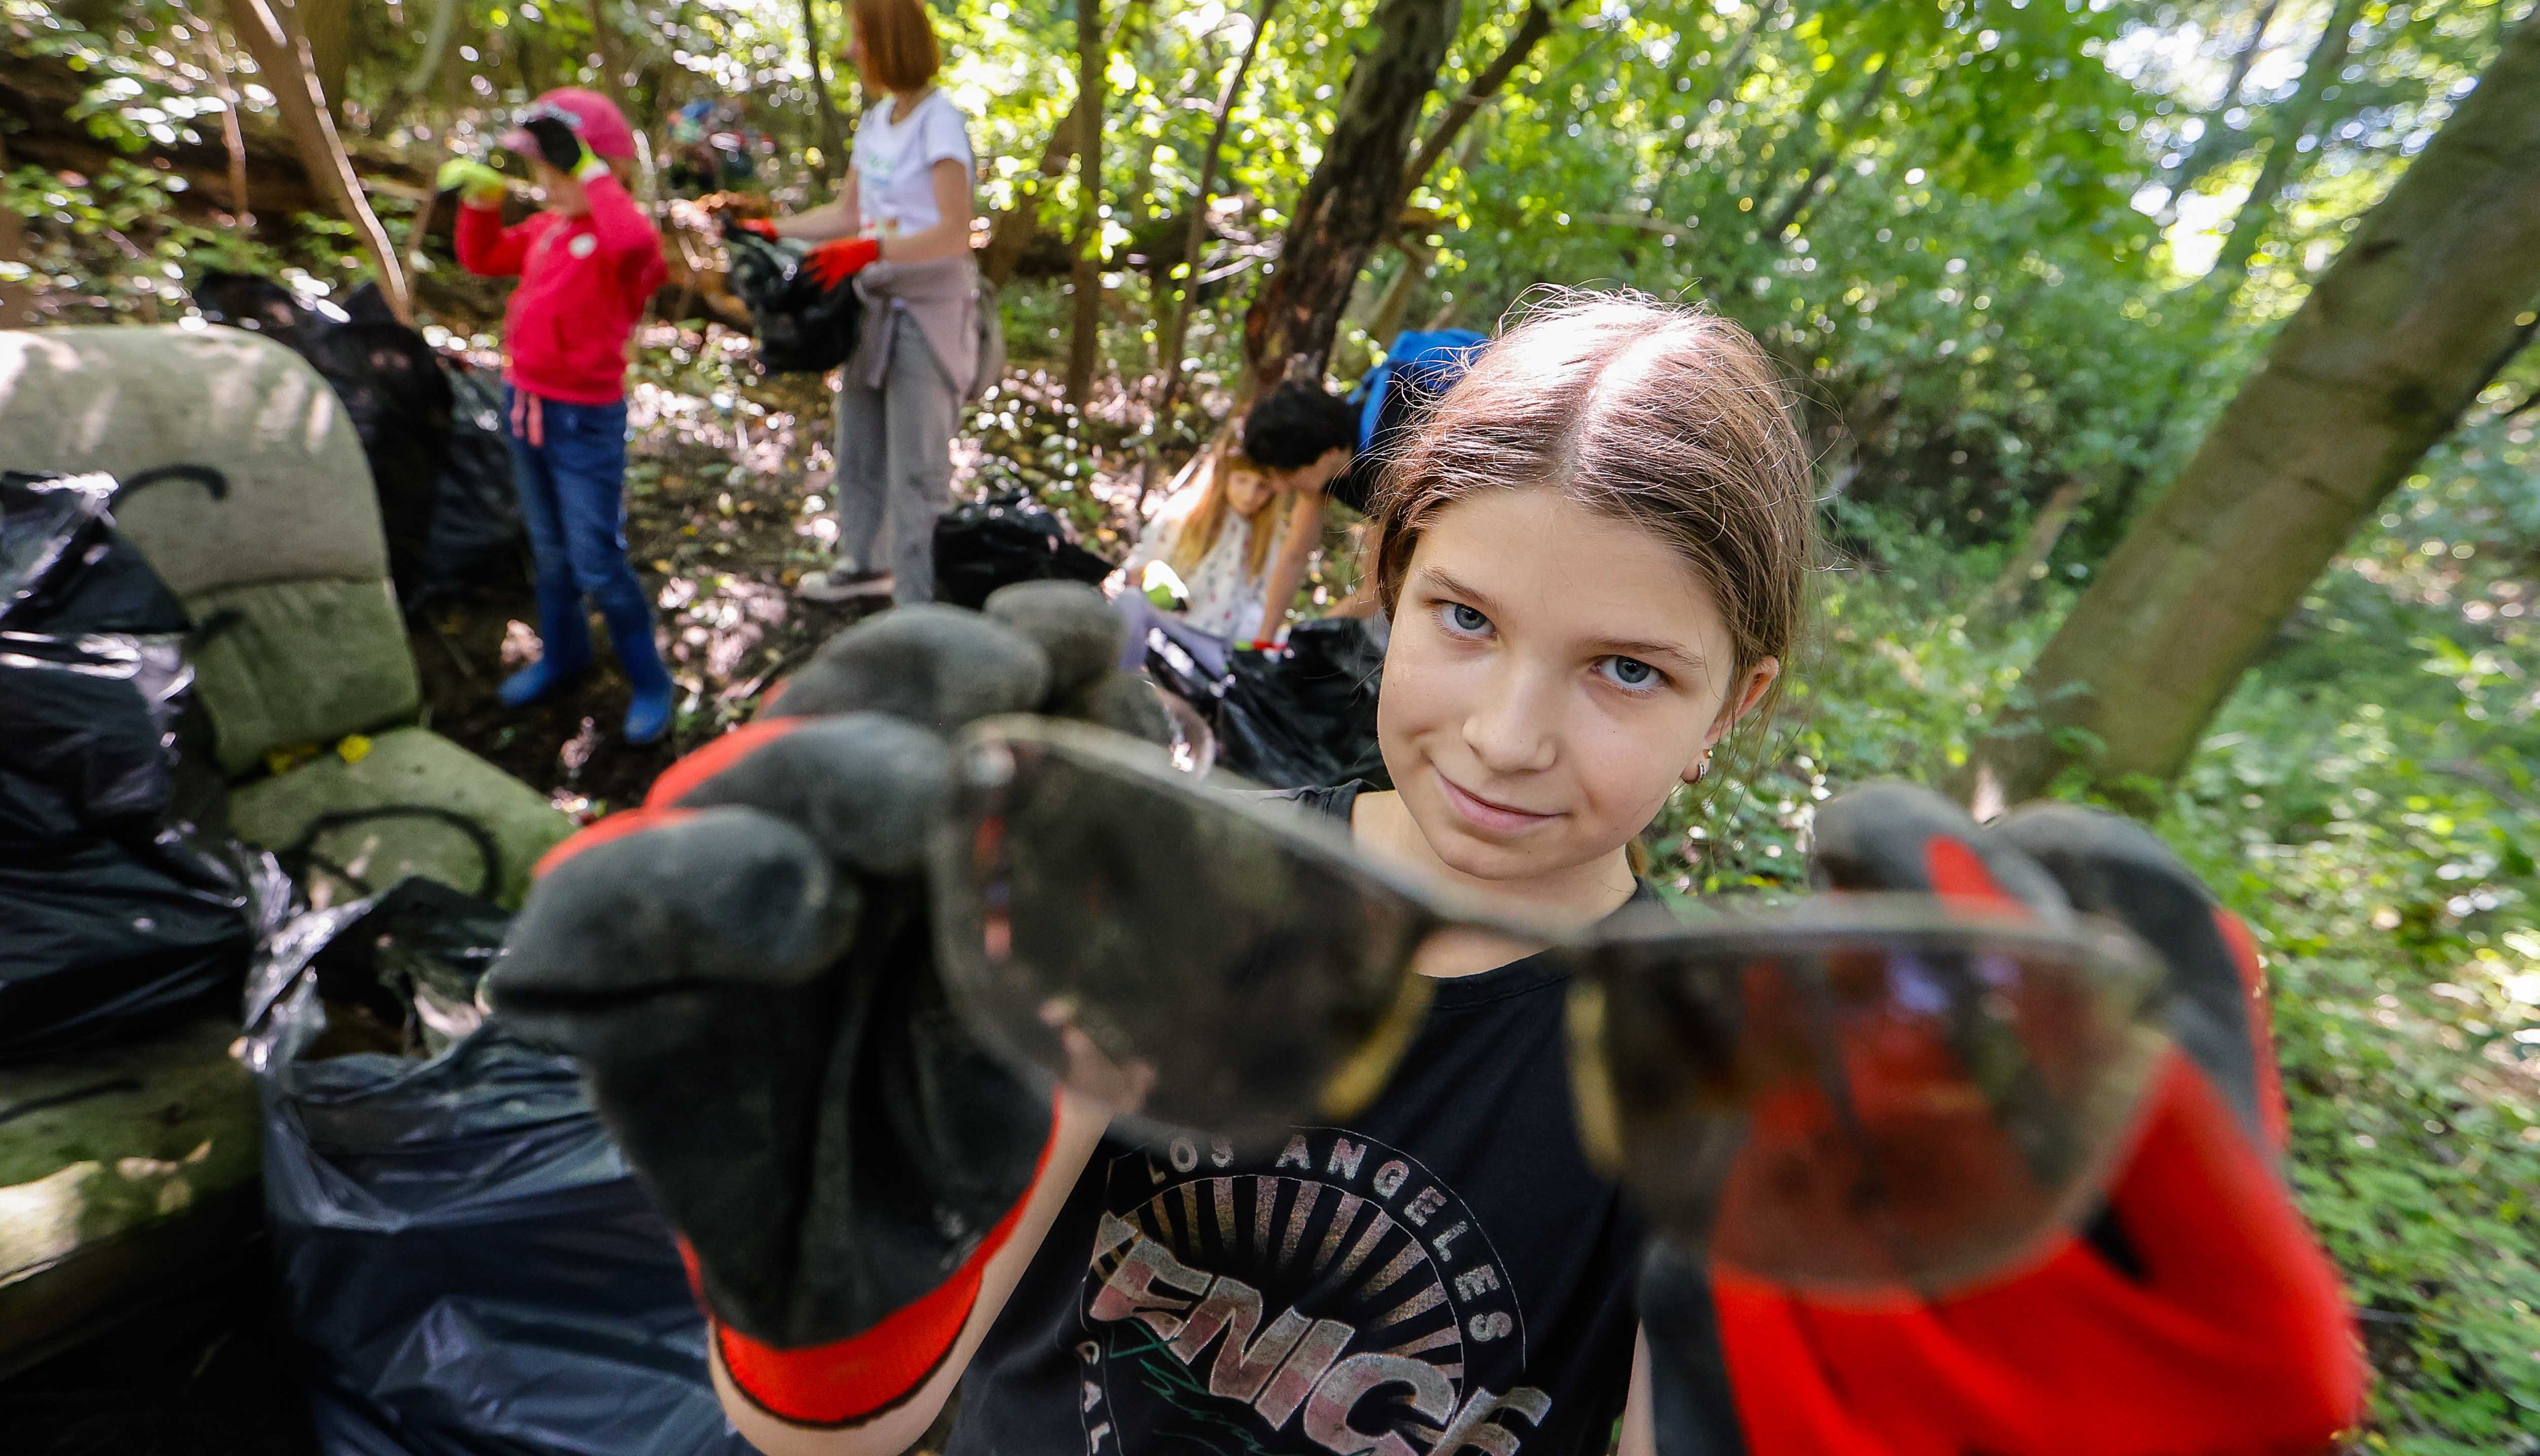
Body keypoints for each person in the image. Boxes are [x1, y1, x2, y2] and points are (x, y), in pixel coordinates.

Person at [492, 291, 2362, 1456]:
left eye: (1625, 669)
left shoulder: (1725, 1094)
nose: (1508, 734)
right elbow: (850, 1420)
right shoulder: (1169, 896)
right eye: (1464, 619)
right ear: (1382, 585)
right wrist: (817, 1300)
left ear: (1736, 701)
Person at [719, 0, 982, 606]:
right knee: (860, 446)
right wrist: (771, 229)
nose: (850, 50)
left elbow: (954, 232)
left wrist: (870, 249)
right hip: (870, 305)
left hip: (929, 313)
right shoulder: (877, 121)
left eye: (860, 36)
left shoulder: (939, 122)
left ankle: (918, 609)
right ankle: (865, 564)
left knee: (918, 469)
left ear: (890, 40)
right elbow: (847, 213)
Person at [437, 89, 675, 744]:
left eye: (560, 168)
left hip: (583, 424)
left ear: (609, 172)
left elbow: (638, 246)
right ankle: (564, 655)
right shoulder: (548, 230)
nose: (546, 182)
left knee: (596, 560)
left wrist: (592, 172)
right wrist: (481, 204)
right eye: (540, 168)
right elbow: (483, 258)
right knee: (549, 554)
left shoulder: (622, 243)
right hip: (526, 407)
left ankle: (650, 680)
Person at [1242, 328, 1488, 646]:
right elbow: (1294, 554)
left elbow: (1374, 593)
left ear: (1328, 457)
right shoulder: (1329, 445)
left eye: (1286, 475)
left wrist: (1296, 645)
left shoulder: (1393, 462)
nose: (1279, 486)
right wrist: (1264, 641)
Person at [1111, 449, 1290, 671]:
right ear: (1225, 476)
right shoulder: (1187, 509)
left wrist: (1251, 634)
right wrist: (1149, 575)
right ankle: (1119, 678)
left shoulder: (1270, 539)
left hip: (1217, 641)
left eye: (1262, 486)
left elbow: (1265, 601)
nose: (1250, 494)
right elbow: (1144, 558)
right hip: (1168, 620)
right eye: (1242, 480)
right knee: (1130, 602)